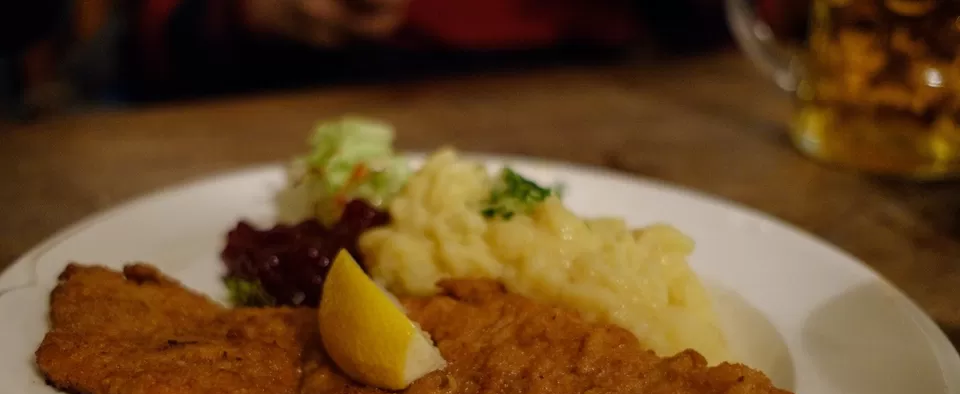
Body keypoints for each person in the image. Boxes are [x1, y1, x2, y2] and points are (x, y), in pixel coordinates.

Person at [2, 0, 808, 114]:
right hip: (282, 92)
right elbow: (135, 47)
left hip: (611, 100)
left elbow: (753, 23)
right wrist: (257, 11)